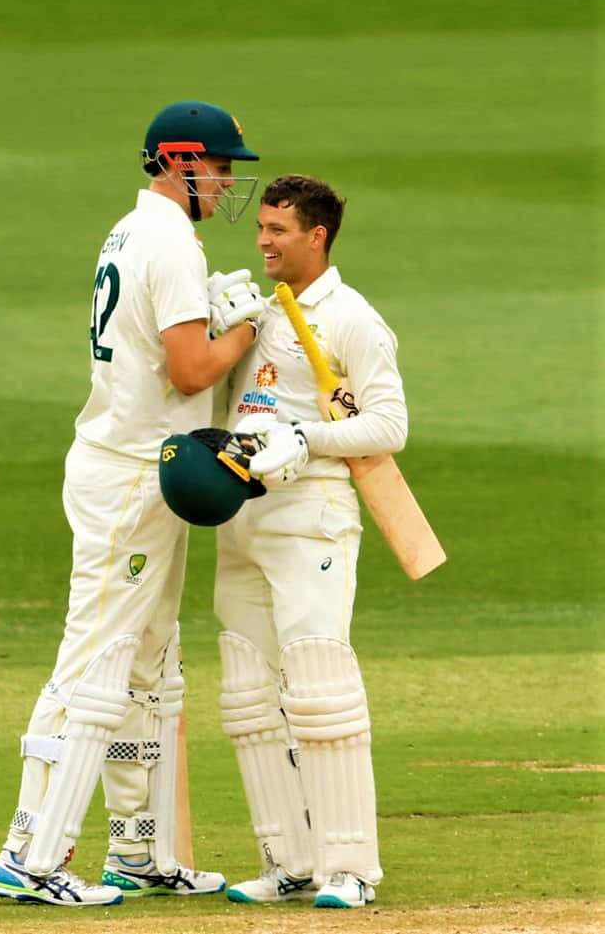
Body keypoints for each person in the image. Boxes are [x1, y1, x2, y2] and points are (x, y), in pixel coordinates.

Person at [0, 100, 266, 907]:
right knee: (96, 659)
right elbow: (189, 370)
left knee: (150, 663)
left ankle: (137, 852)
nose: (224, 180)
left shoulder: (130, 229)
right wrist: (242, 329)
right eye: (217, 165)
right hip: (129, 474)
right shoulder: (170, 243)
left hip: (137, 465)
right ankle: (29, 853)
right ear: (180, 161)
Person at [213, 174, 409, 911]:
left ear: (316, 235)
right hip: (244, 517)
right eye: (259, 227)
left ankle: (349, 867)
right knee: (247, 692)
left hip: (312, 515)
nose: (261, 240)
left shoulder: (352, 318)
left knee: (319, 689)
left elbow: (388, 426)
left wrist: (305, 436)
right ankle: (288, 859)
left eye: (277, 230)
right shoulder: (259, 312)